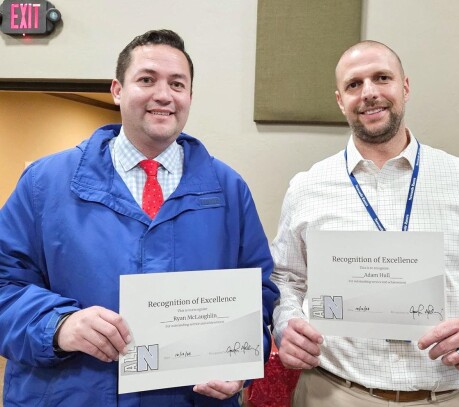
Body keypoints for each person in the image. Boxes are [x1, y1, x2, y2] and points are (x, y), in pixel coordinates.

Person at [0, 29, 279, 407]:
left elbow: (259, 294)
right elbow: (5, 285)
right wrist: (58, 326)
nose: (163, 95)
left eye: (177, 84)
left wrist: (242, 361)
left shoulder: (229, 190)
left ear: (190, 97)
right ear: (117, 90)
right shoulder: (44, 184)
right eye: (147, 80)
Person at [271, 40, 459, 406]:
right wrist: (286, 322)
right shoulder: (307, 187)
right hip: (333, 392)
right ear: (339, 100)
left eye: (382, 78)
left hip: (448, 396)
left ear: (405, 87)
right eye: (354, 84)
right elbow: (286, 277)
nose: (369, 93)